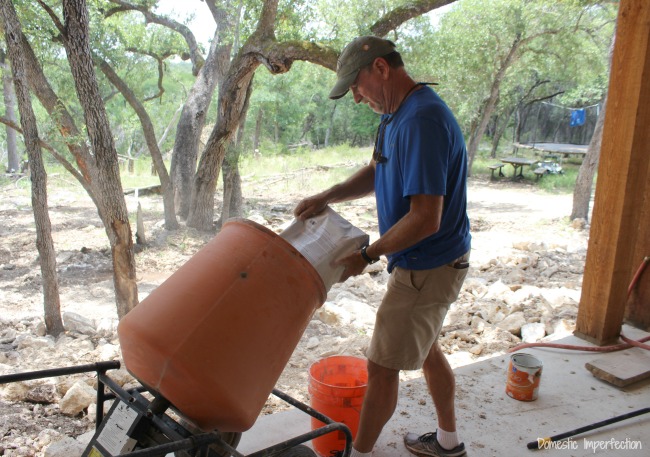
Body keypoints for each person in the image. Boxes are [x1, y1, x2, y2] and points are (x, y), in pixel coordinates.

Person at [294, 36, 471, 457]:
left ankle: (360, 453)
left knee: (381, 368)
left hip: (427, 266)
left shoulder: (421, 120)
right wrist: (328, 195)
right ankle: (448, 442)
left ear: (380, 68)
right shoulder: (395, 114)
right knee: (428, 350)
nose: (355, 98)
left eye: (355, 86)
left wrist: (366, 256)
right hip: (430, 262)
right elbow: (378, 169)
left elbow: (427, 218)